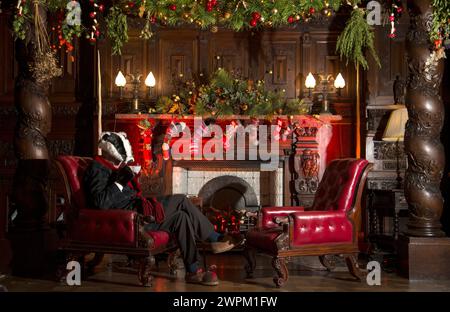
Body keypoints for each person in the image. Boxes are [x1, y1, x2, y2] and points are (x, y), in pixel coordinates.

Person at [83, 131, 242, 286]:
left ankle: (193, 270)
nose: (122, 160)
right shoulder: (97, 168)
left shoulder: (112, 168)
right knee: (181, 200)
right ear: (108, 151)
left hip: (137, 210)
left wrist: (125, 179)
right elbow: (100, 203)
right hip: (132, 217)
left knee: (182, 217)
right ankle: (214, 238)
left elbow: (125, 193)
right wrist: (120, 182)